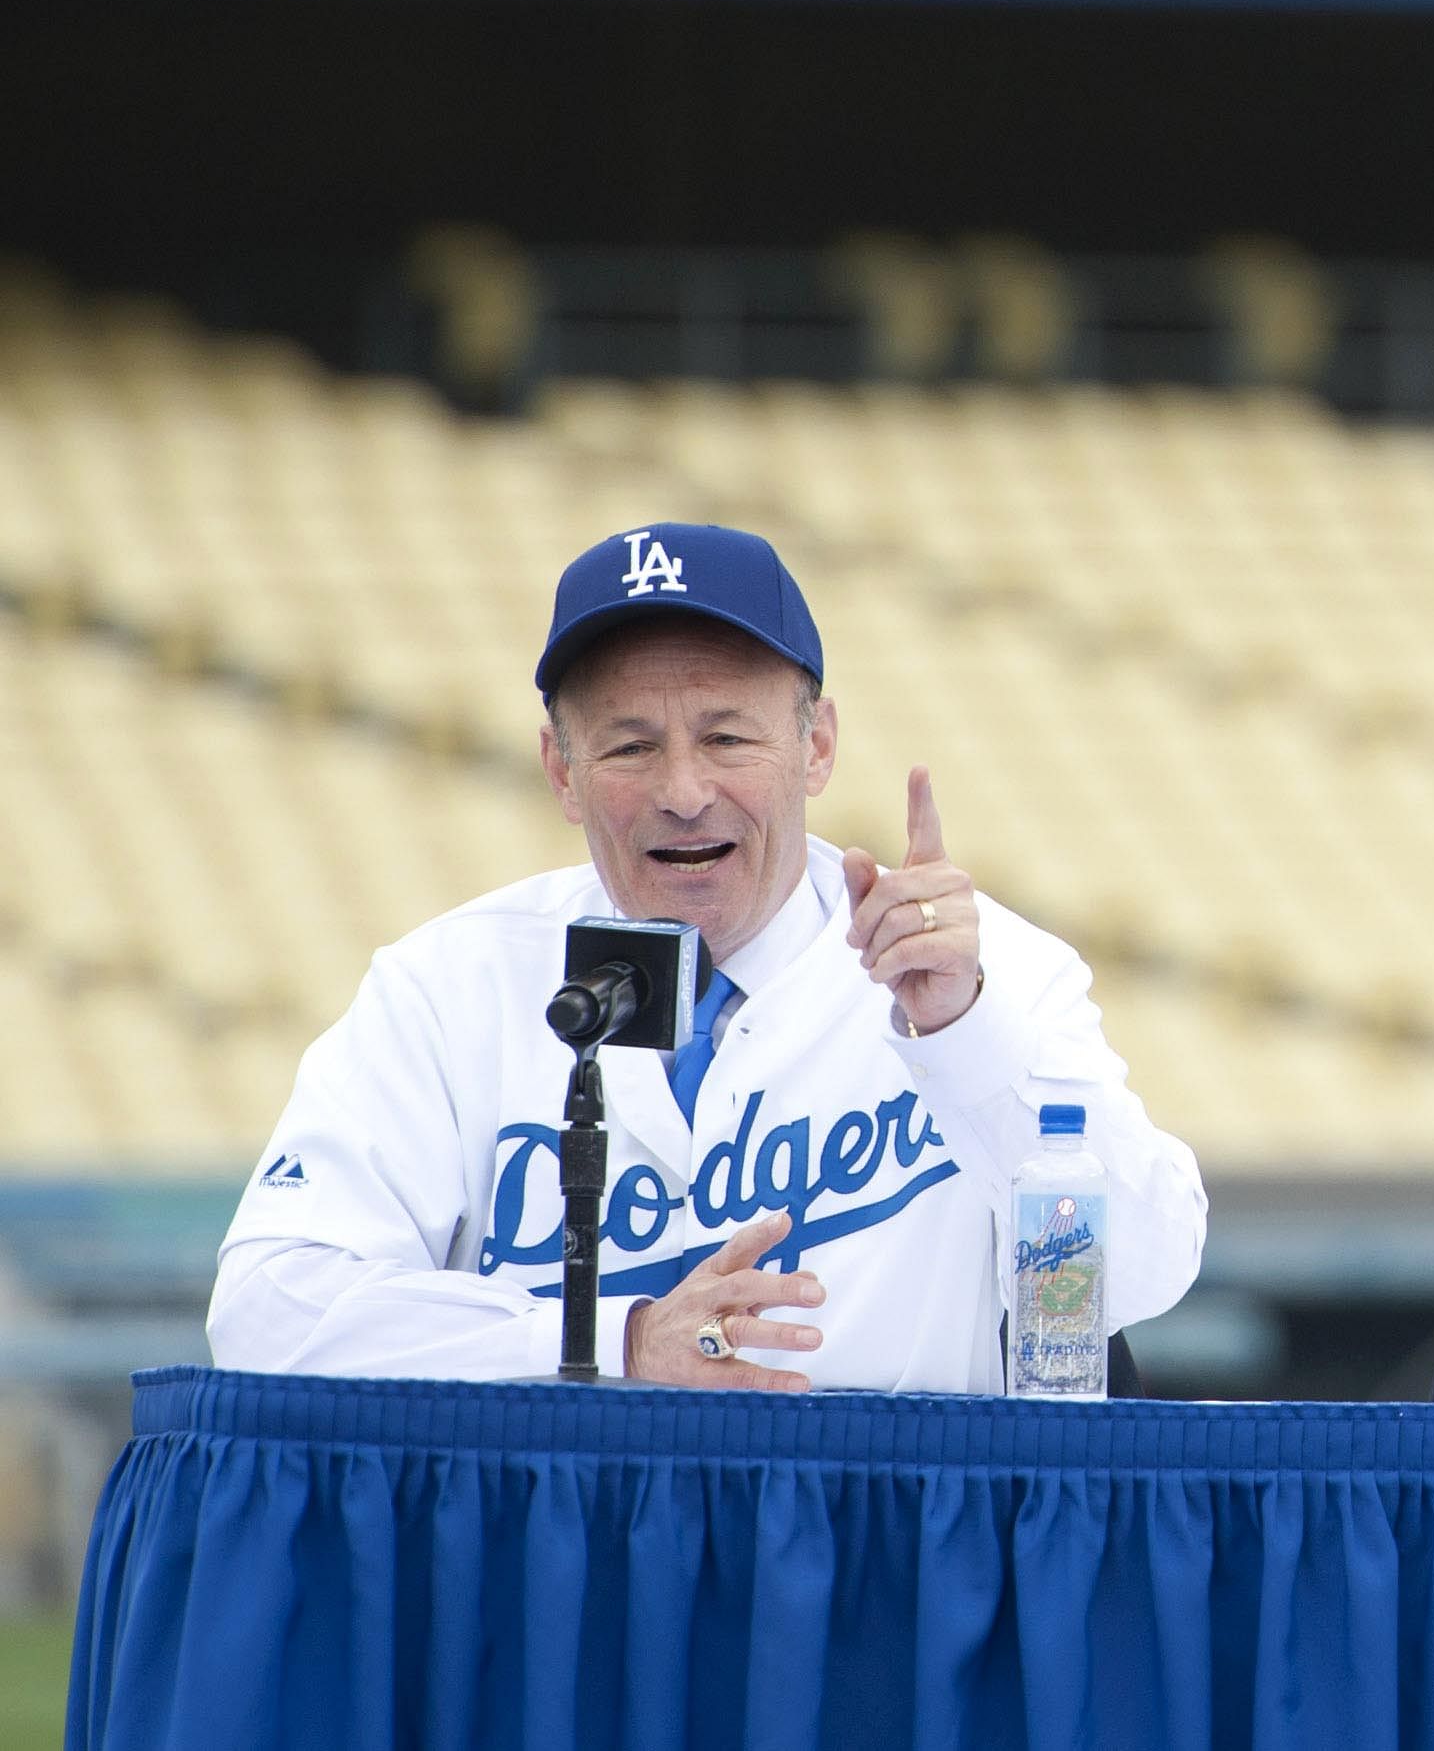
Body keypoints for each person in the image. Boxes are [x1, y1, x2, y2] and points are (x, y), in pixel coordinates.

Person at [210, 522, 1207, 1390]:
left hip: (889, 1554)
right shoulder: (446, 986)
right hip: (567, 1557)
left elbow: (1147, 1272)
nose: (684, 791)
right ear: (562, 770)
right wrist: (619, 1341)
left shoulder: (982, 968)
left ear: (815, 746)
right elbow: (265, 1314)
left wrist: (964, 1032)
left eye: (727, 737)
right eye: (630, 747)